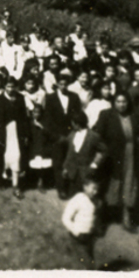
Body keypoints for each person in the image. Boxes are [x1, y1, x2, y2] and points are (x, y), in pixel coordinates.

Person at [93, 92, 139, 230]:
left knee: (129, 182)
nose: (121, 105)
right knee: (110, 184)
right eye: (118, 101)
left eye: (124, 102)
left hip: (131, 155)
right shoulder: (106, 115)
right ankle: (101, 218)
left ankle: (126, 216)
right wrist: (103, 152)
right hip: (112, 156)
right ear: (114, 102)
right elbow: (98, 136)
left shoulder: (135, 115)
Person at [43, 70, 82, 199]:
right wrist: (57, 136)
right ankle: (61, 188)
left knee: (70, 161)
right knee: (58, 163)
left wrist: (73, 134)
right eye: (60, 84)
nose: (63, 87)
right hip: (57, 136)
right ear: (57, 85)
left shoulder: (74, 97)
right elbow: (48, 120)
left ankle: (70, 187)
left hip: (71, 135)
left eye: (65, 84)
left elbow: (77, 117)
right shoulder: (50, 98)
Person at [0, 76, 29, 197]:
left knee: (16, 156)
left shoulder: (20, 98)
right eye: (8, 86)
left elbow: (24, 117)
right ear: (4, 87)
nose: (11, 89)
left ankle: (15, 185)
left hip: (17, 134)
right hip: (2, 134)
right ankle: (1, 179)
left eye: (13, 86)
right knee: (2, 156)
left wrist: (25, 134)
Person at [62, 111, 106, 197]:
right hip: (73, 173)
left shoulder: (93, 136)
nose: (72, 124)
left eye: (73, 122)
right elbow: (70, 154)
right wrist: (66, 167)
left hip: (86, 173)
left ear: (77, 123)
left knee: (87, 198)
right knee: (74, 197)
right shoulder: (71, 135)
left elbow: (103, 150)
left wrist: (95, 164)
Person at [61, 176, 100, 268]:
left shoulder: (95, 200)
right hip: (78, 236)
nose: (95, 192)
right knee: (87, 264)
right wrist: (75, 231)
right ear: (85, 187)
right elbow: (65, 218)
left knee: (89, 257)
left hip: (89, 236)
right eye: (93, 189)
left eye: (97, 189)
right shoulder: (78, 199)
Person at [28, 104, 54, 192]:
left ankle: (41, 182)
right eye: (35, 112)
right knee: (34, 164)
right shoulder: (30, 122)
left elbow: (50, 134)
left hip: (43, 147)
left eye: (38, 112)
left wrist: (40, 126)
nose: (36, 114)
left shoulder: (45, 122)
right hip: (34, 147)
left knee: (42, 165)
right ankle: (33, 181)